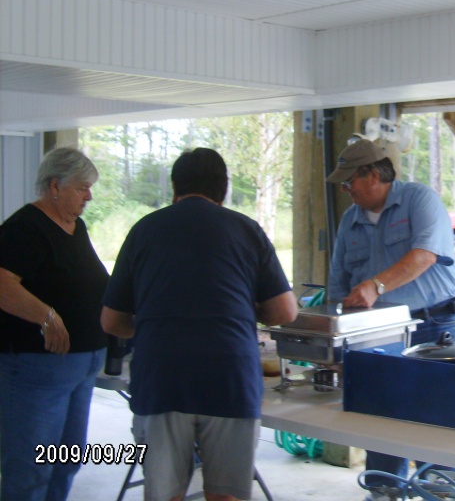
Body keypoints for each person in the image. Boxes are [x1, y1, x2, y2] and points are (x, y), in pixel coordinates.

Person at [100, 147, 298, 501]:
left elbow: (111, 321)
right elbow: (285, 312)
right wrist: (242, 311)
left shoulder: (143, 230)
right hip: (229, 377)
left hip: (161, 377)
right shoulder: (247, 230)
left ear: (175, 189)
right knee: (227, 495)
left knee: (164, 493)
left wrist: (148, 324)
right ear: (223, 191)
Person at [326, 138, 455, 500]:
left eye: (351, 181)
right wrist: (337, 340)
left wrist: (376, 285)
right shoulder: (350, 220)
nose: (346, 189)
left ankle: (444, 487)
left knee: (443, 408)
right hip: (384, 329)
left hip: (442, 321)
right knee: (383, 408)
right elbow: (338, 284)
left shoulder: (419, 199)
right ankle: (384, 488)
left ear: (376, 175)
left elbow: (424, 255)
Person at [0, 147, 108, 501]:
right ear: (55, 185)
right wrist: (46, 315)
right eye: (82, 187)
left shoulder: (76, 227)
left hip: (82, 365)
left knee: (66, 458)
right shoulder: (25, 228)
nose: (89, 195)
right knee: (31, 466)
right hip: (38, 368)